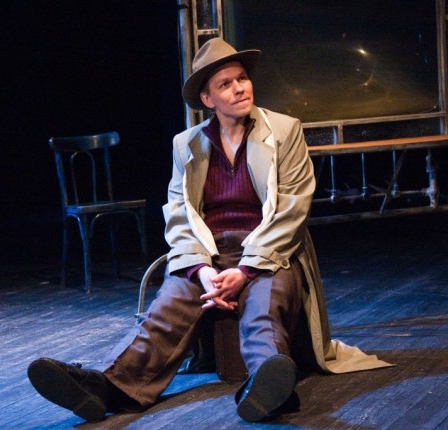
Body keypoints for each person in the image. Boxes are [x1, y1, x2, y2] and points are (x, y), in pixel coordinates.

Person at [27, 38, 392, 423]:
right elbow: (179, 214)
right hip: (209, 254)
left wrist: (246, 270)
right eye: (225, 84)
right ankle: (105, 385)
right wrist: (202, 271)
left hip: (270, 253)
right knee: (166, 309)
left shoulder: (284, 131)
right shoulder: (186, 144)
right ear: (207, 99)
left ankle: (266, 385)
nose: (240, 88)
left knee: (263, 308)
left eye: (242, 79)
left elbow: (292, 209)